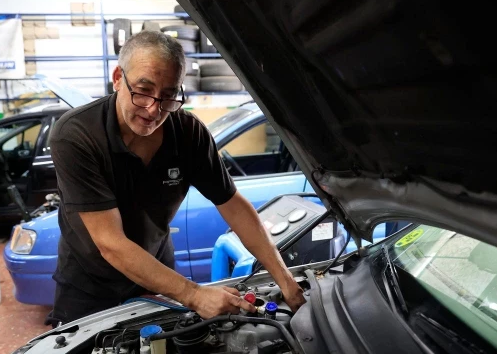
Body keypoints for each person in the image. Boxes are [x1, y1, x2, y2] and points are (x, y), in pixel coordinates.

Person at [46, 31, 306, 326]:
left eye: (169, 95)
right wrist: (194, 295)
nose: (154, 110)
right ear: (118, 78)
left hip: (155, 273)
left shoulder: (188, 133)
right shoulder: (77, 135)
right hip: (89, 287)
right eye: (143, 91)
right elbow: (111, 243)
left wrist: (285, 280)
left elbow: (231, 204)